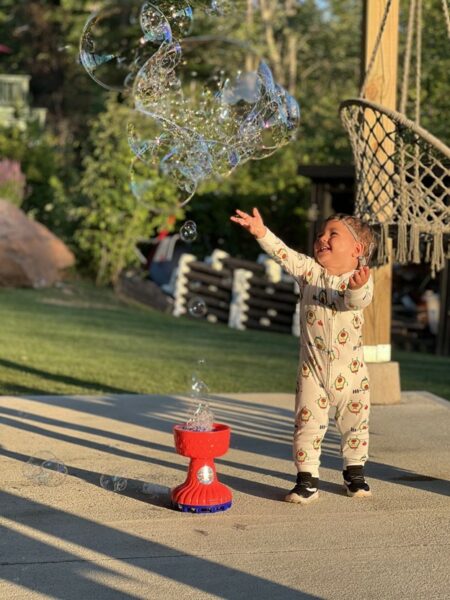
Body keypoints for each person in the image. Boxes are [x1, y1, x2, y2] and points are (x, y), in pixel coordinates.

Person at [231, 208, 376, 504]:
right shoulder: (310, 272)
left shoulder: (360, 280)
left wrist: (358, 286)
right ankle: (307, 479)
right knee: (306, 425)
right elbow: (284, 254)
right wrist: (262, 232)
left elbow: (356, 300)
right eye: (321, 233)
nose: (322, 238)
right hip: (313, 370)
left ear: (357, 250)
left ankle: (355, 472)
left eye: (332, 234)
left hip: (353, 375)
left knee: (356, 424)